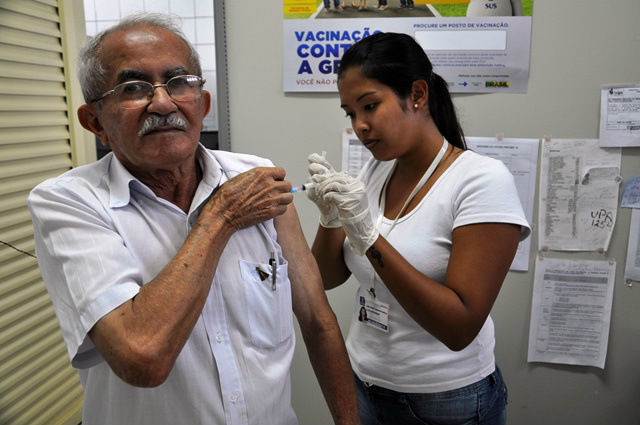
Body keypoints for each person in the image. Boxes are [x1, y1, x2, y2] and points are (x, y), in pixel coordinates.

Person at [27, 13, 359, 425]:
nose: (163, 102)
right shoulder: (68, 203)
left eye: (179, 82)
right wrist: (221, 216)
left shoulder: (255, 177)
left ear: (201, 105)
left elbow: (318, 320)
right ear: (95, 122)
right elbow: (142, 356)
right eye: (133, 87)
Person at [306, 32, 531, 425]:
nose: (359, 126)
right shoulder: (377, 169)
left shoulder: (480, 181)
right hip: (364, 381)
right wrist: (330, 220)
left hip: (446, 399)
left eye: (370, 106)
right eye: (350, 113)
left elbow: (459, 327)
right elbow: (324, 277)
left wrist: (371, 238)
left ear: (418, 95)